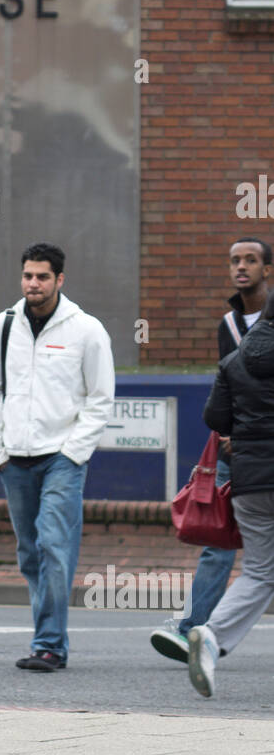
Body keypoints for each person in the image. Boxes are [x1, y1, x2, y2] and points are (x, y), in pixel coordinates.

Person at [0, 243, 115, 670]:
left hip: (61, 459)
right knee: (30, 552)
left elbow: (101, 397)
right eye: (28, 276)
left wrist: (74, 453)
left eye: (42, 277)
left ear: (59, 280)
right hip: (14, 458)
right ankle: (47, 637)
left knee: (55, 545)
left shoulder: (86, 330)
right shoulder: (2, 327)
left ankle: (49, 643)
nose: (33, 284)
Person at [151, 236, 272, 663]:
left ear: (267, 270)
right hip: (232, 450)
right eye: (235, 260)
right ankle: (193, 631)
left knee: (259, 561)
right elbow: (229, 391)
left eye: (251, 260)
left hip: (253, 449)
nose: (241, 267)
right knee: (218, 538)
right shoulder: (228, 324)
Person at [187, 288, 274, 698]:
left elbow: (215, 417)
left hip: (250, 484)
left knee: (259, 571)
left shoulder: (234, 361)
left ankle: (211, 636)